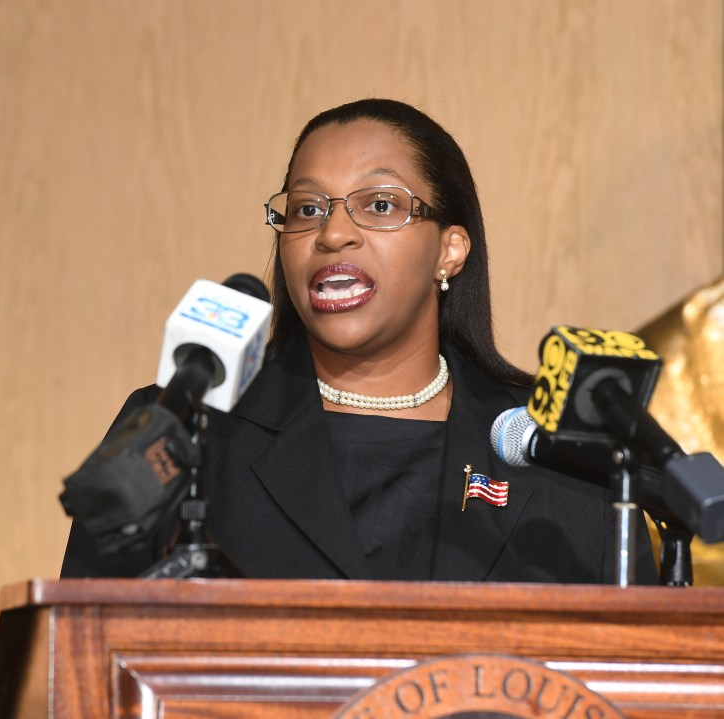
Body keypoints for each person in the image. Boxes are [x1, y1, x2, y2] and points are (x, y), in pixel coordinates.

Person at [61, 98, 658, 583]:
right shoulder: (184, 428)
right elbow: (78, 661)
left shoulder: (561, 457)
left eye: (378, 204)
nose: (333, 233)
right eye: (306, 209)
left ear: (449, 250)